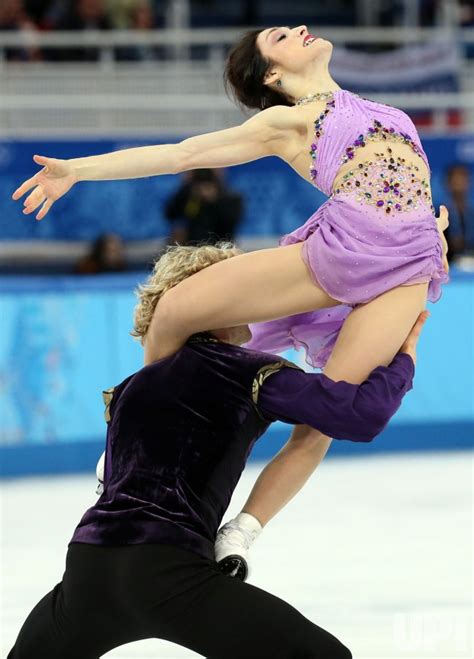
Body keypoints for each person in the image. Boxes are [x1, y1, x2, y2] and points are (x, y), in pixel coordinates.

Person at [12, 25, 449, 539]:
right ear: (272, 73)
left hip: (406, 268)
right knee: (175, 311)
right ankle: (133, 433)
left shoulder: (389, 112)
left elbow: (411, 187)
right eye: (282, 36)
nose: (301, 29)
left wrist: (431, 228)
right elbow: (181, 154)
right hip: (339, 254)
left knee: (323, 419)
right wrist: (77, 171)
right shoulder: (288, 121)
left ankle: (240, 533)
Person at [8, 242, 427, 659]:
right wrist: (403, 362)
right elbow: (358, 415)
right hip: (167, 574)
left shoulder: (128, 389)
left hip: (87, 572)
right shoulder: (243, 371)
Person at [164, 168, 243, 245]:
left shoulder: (230, 196)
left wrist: (214, 200)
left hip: (220, 247)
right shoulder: (188, 193)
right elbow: (170, 214)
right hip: (191, 246)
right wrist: (185, 185)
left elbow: (231, 222)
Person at [444, 164, 474, 259]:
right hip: (449, 266)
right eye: (455, 180)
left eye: (462, 179)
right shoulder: (440, 216)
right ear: (448, 183)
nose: (459, 183)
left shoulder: (471, 214)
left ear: (469, 182)